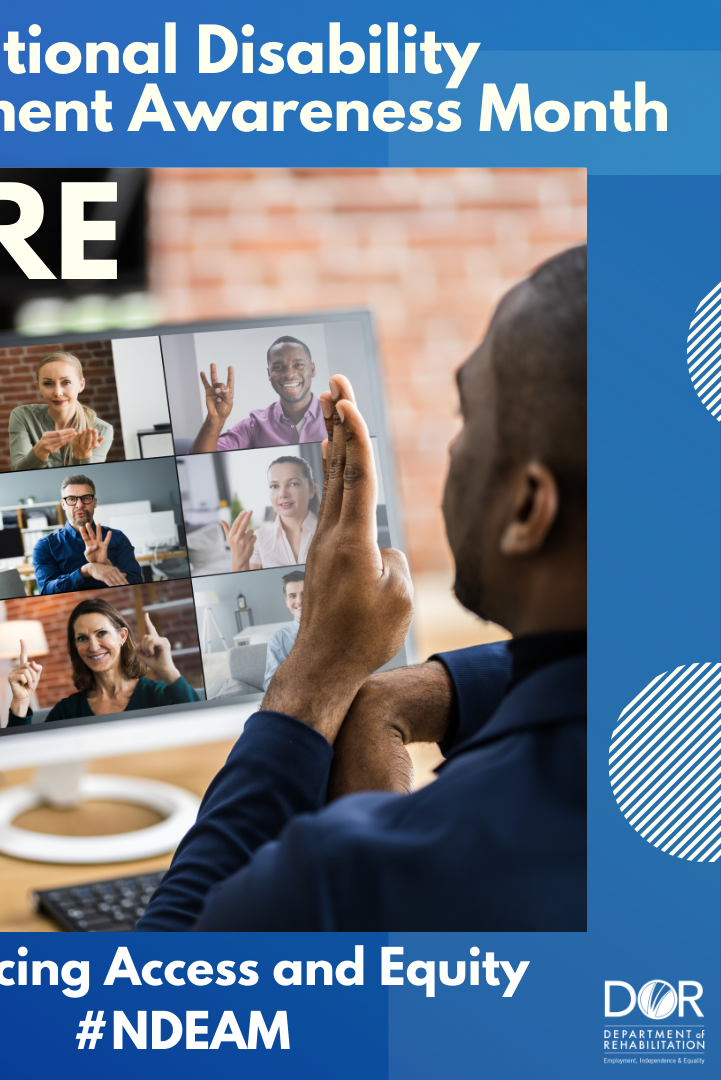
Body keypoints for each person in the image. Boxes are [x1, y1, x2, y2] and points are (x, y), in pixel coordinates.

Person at [138, 245, 587, 931]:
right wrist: (432, 691)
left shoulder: (348, 876)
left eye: (467, 419)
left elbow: (156, 995)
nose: (452, 448)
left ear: (527, 509)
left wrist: (321, 669)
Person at [7, 600, 200, 724]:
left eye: (101, 633)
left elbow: (202, 725)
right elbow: (26, 758)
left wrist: (168, 670)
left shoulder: (159, 696)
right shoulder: (67, 710)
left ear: (122, 636)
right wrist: (21, 701)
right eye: (82, 638)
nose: (93, 646)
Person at [189, 336, 327, 453]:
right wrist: (215, 420)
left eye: (298, 365)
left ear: (312, 369)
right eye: (278, 367)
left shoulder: (339, 415)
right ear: (269, 374)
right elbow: (200, 461)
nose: (289, 375)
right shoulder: (254, 426)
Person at [31, 474, 143, 594]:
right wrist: (85, 570)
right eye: (71, 499)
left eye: (86, 498)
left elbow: (136, 581)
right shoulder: (45, 546)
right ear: (63, 505)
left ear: (94, 502)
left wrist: (107, 564)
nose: (79, 505)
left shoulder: (117, 537)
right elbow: (46, 590)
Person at [8, 352, 114, 471]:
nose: (57, 392)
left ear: (81, 385)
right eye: (48, 383)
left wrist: (82, 456)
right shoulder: (22, 416)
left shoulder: (103, 430)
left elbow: (87, 482)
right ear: (39, 387)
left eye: (66, 382)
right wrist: (41, 450)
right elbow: (18, 472)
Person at [222, 455, 319, 572]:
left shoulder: (336, 533)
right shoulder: (258, 540)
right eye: (274, 486)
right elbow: (246, 587)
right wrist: (237, 558)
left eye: (293, 484)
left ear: (311, 490)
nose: (282, 494)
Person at [262, 571, 304, 691]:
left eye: (305, 594)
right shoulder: (278, 639)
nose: (299, 601)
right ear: (286, 601)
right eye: (292, 596)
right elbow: (269, 685)